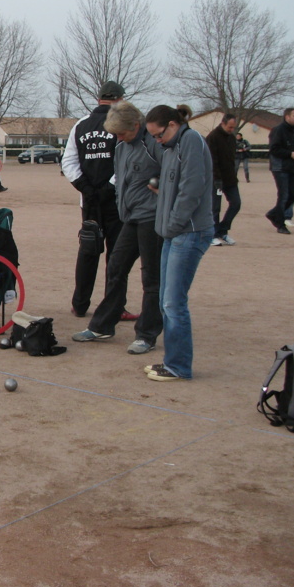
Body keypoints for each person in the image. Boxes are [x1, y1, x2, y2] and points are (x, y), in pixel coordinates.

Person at [71, 101, 162, 355]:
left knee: (151, 278)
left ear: (136, 125)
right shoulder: (121, 146)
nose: (117, 138)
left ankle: (147, 334)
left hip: (152, 219)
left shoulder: (154, 144)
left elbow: (174, 173)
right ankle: (102, 325)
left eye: (121, 133)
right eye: (115, 134)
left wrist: (160, 185)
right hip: (129, 218)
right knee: (116, 267)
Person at [142, 105, 213, 382]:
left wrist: (172, 224)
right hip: (174, 233)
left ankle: (179, 366)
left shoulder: (191, 141)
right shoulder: (172, 147)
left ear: (172, 124)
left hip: (190, 232)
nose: (157, 142)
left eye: (158, 135)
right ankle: (172, 361)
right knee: (165, 300)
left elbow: (192, 189)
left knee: (174, 303)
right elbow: (175, 182)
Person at [61, 81, 126, 317]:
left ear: (99, 99)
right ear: (119, 99)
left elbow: (68, 162)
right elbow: (124, 162)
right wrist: (107, 188)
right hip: (116, 201)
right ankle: (115, 306)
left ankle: (79, 304)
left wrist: (85, 188)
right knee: (116, 255)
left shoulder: (80, 125)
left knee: (88, 251)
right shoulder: (121, 124)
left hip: (88, 202)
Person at [265, 108, 294, 235]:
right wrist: (290, 154)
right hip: (280, 167)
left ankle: (273, 214)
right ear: (287, 117)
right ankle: (280, 224)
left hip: (292, 167)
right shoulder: (278, 130)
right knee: (283, 195)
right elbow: (274, 149)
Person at [205, 114, 241, 246]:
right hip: (216, 179)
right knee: (215, 207)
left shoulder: (231, 138)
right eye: (230, 127)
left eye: (233, 127)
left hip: (230, 179)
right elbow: (211, 160)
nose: (232, 129)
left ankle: (223, 230)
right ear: (223, 123)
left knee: (236, 203)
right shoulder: (213, 137)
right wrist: (216, 178)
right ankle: (212, 234)